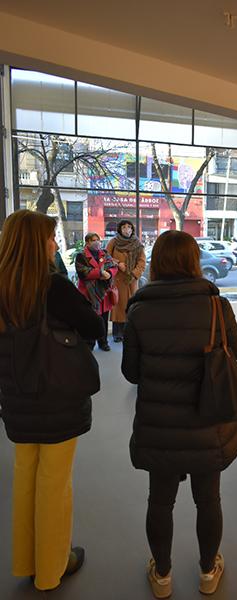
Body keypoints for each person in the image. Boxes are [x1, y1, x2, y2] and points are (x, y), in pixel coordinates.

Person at [122, 230, 237, 598]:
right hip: (209, 423)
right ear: (194, 261)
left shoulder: (139, 310)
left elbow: (131, 373)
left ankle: (162, 576)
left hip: (160, 424)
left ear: (157, 262)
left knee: (160, 501)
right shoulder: (217, 306)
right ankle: (208, 572)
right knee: (208, 499)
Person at [0, 209, 104, 591]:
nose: (54, 243)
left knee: (25, 479)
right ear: (34, 243)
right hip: (57, 397)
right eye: (49, 237)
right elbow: (94, 324)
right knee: (54, 484)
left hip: (15, 398)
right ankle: (51, 569)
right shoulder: (52, 286)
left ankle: (26, 561)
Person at [75, 232, 118, 351]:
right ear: (87, 243)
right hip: (89, 292)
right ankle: (89, 343)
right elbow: (82, 272)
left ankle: (103, 342)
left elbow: (114, 266)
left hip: (104, 291)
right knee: (90, 319)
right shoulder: (81, 256)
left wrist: (109, 274)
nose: (97, 242)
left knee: (104, 318)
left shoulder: (104, 253)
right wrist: (100, 273)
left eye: (97, 239)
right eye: (93, 240)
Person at [106, 219, 146, 342]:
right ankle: (117, 334)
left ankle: (129, 334)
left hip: (131, 281)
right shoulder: (113, 242)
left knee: (131, 308)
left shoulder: (137, 243)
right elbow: (106, 256)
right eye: (124, 227)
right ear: (119, 229)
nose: (127, 229)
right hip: (118, 278)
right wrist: (117, 263)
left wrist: (134, 274)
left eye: (129, 226)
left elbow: (142, 262)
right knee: (118, 307)